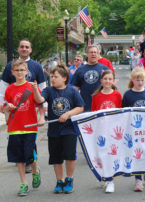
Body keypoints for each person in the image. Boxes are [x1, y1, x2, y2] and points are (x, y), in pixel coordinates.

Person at [31, 63, 84, 194]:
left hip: (69, 129)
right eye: (52, 76)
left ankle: (69, 179)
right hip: (54, 131)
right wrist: (35, 89)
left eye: (56, 76)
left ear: (64, 78)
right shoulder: (49, 90)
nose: (53, 79)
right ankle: (59, 181)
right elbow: (40, 100)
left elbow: (80, 107)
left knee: (70, 156)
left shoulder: (72, 91)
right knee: (56, 158)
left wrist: (67, 114)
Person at [0, 39, 46, 173]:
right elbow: (3, 87)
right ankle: (21, 158)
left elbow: (43, 87)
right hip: (12, 105)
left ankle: (29, 161)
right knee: (15, 135)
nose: (24, 49)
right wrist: (3, 105)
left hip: (32, 106)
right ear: (18, 49)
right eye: (22, 47)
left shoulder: (37, 66)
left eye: (27, 47)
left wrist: (44, 108)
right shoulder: (10, 66)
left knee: (30, 137)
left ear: (30, 50)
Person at [3, 59, 45, 196]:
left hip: (30, 127)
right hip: (14, 127)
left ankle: (35, 171)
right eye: (17, 70)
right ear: (12, 72)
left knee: (30, 156)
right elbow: (3, 107)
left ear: (27, 72)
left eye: (22, 70)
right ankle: (23, 183)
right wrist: (7, 107)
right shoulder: (9, 89)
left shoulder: (31, 86)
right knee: (18, 158)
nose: (20, 72)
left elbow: (40, 102)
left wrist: (41, 116)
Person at [122, 68, 145, 192]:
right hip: (134, 130)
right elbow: (123, 112)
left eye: (142, 80)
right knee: (136, 153)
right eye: (137, 80)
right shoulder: (128, 94)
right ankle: (138, 179)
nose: (140, 82)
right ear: (133, 80)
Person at [71, 45, 109, 111]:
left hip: (101, 105)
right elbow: (75, 89)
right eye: (91, 52)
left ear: (98, 54)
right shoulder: (80, 70)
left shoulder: (105, 69)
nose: (93, 54)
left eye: (95, 52)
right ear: (87, 54)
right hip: (85, 106)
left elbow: (111, 86)